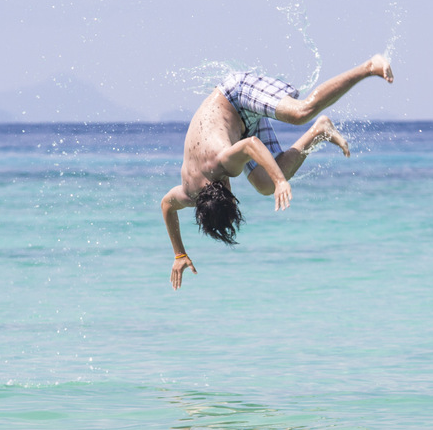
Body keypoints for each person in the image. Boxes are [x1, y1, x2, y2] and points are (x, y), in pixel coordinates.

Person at [160, 54, 395, 288]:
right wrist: (179, 254)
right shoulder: (190, 193)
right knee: (264, 185)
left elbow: (252, 145)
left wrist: (281, 180)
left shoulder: (223, 165)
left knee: (300, 113)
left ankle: (369, 67)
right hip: (238, 126)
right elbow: (167, 206)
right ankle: (319, 131)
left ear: (222, 188)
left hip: (236, 95)